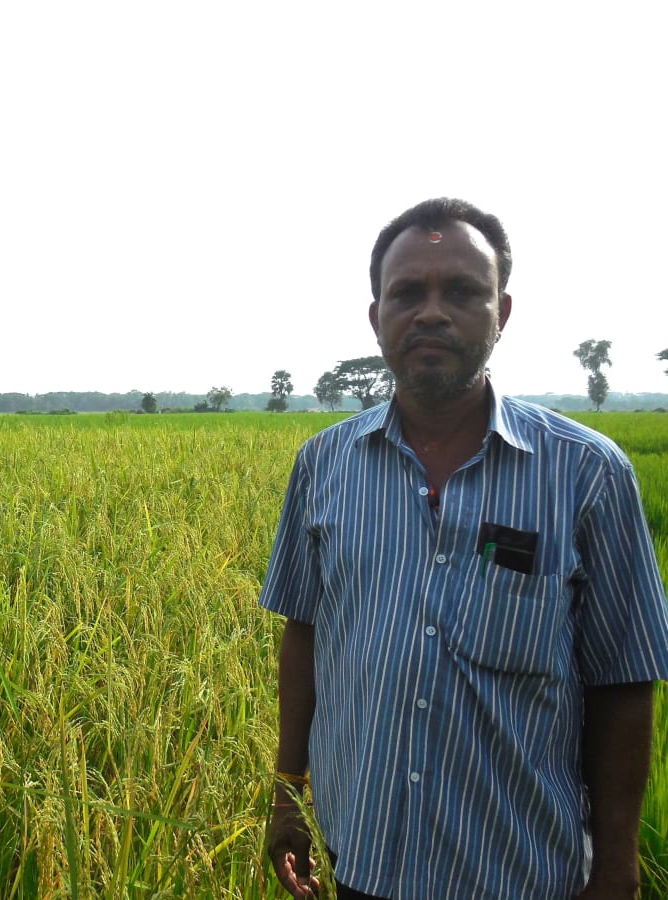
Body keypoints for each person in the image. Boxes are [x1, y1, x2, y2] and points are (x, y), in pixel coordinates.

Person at [259, 197, 668, 899]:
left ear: (502, 313)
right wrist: (288, 789)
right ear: (376, 316)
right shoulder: (322, 466)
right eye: (408, 292)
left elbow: (624, 682)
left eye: (463, 292)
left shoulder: (587, 474)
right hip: (363, 859)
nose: (432, 312)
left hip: (522, 870)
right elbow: (306, 630)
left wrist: (618, 866)